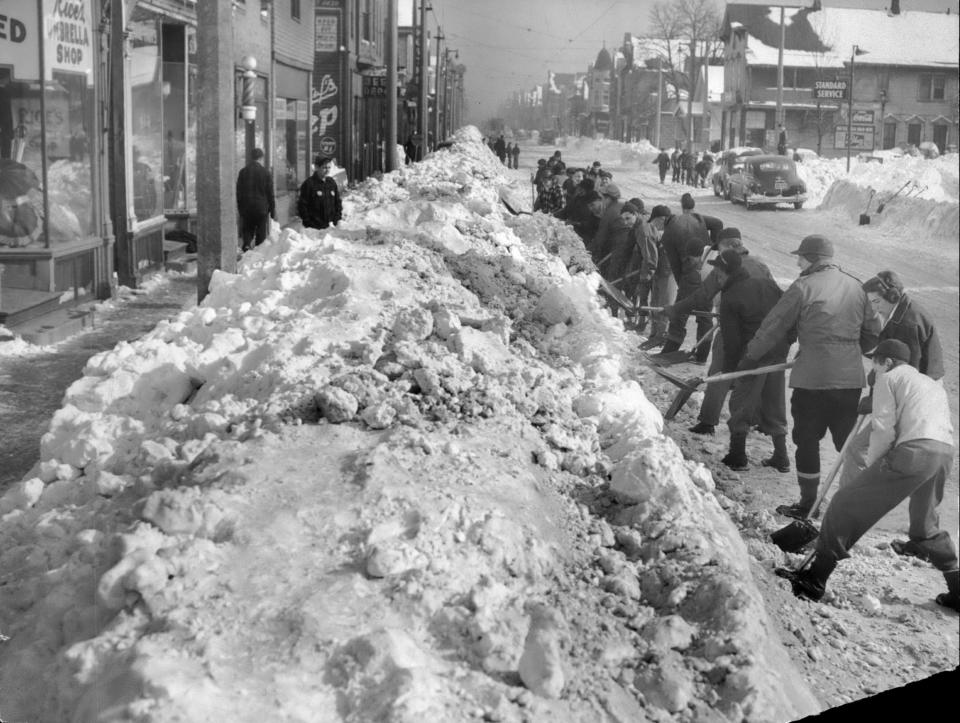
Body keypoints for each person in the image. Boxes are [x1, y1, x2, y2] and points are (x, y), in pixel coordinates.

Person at [775, 339, 959, 613]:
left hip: (914, 451)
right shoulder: (931, 384)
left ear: (888, 361)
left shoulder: (889, 378)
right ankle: (958, 590)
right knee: (925, 527)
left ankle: (814, 579)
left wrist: (875, 467)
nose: (874, 366)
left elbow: (884, 429)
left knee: (844, 504)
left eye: (876, 361)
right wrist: (873, 404)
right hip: (944, 452)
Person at [738, 235, 880, 519]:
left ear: (812, 258)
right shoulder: (857, 287)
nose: (798, 261)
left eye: (801, 256)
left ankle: (807, 503)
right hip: (850, 380)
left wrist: (750, 355)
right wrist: (850, 351)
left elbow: (773, 326)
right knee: (846, 444)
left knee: (807, 439)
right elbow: (872, 333)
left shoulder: (803, 287)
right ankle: (856, 505)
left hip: (812, 380)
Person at [664, 229, 779, 449]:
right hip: (760, 330)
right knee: (753, 376)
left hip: (732, 326)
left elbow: (702, 296)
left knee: (720, 371)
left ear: (727, 247)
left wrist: (675, 309)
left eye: (720, 248)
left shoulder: (725, 266)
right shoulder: (761, 264)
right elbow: (772, 294)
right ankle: (757, 421)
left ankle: (708, 421)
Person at [838, 271, 944, 498]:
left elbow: (902, 373)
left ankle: (847, 503)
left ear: (892, 296)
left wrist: (876, 400)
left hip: (914, 402)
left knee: (858, 448)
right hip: (924, 395)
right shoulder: (905, 310)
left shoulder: (907, 323)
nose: (875, 309)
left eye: (877, 301)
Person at [707, 249, 790, 470]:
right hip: (777, 352)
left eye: (717, 271)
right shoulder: (767, 284)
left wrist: (729, 371)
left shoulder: (730, 296)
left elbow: (732, 342)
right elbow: (788, 313)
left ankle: (738, 456)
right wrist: (787, 342)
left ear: (725, 272)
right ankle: (781, 457)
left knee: (741, 403)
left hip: (752, 355)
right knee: (774, 401)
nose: (716, 276)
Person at [657, 194, 723, 360]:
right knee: (705, 314)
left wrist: (682, 285)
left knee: (679, 313)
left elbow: (675, 266)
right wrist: (714, 246)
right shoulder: (698, 217)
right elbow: (718, 224)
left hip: (689, 273)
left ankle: (670, 350)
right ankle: (702, 356)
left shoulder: (668, 234)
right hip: (707, 271)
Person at [640, 205, 677, 349]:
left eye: (655, 222)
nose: (654, 225)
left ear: (662, 219)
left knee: (664, 304)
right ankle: (654, 333)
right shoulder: (660, 230)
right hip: (659, 271)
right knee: (654, 301)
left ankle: (662, 335)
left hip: (668, 272)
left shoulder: (672, 231)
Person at [236, 147, 276, 251]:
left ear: (251, 157)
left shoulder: (243, 172)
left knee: (248, 229)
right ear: (261, 158)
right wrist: (272, 210)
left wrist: (240, 209)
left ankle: (247, 245)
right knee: (261, 231)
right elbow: (270, 193)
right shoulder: (266, 173)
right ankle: (258, 250)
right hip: (261, 208)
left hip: (247, 207)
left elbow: (239, 193)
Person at [297, 155, 342, 230]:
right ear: (316, 167)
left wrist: (337, 219)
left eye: (329, 167)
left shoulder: (331, 183)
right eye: (324, 168)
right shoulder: (309, 184)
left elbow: (337, 202)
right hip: (314, 230)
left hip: (331, 228)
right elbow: (302, 206)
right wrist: (308, 222)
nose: (327, 170)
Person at [586, 183, 625, 266]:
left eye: (602, 198)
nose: (602, 201)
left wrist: (586, 251)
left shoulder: (609, 213)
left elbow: (600, 238)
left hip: (616, 249)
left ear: (608, 198)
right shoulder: (622, 205)